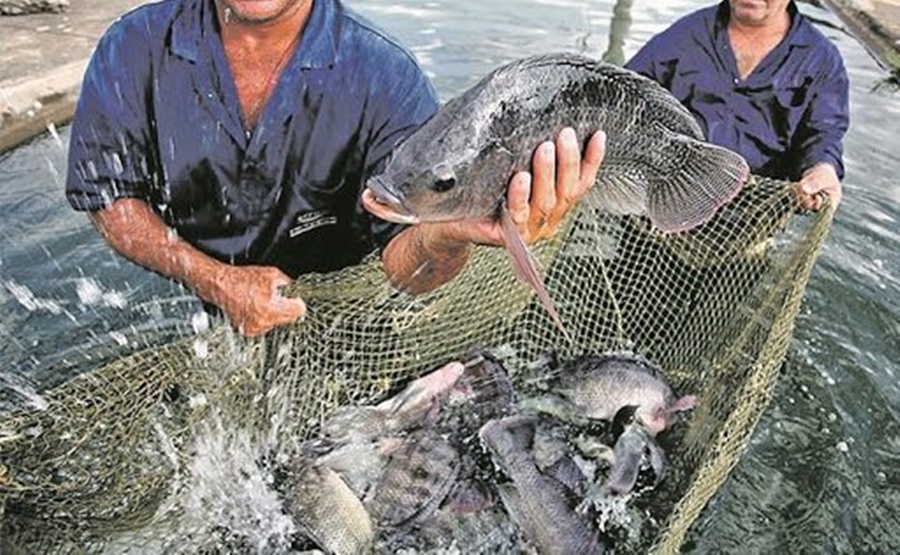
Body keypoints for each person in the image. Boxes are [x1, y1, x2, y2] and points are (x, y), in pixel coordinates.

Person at [65, 0, 606, 337]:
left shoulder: (387, 76)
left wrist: (446, 233)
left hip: (345, 318)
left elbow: (410, 270)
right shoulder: (132, 47)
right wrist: (214, 279)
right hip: (198, 303)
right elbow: (108, 196)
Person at [625, 0, 849, 212]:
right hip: (666, 202)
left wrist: (822, 168)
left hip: (751, 215)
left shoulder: (821, 60)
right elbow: (626, 93)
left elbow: (823, 133)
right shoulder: (686, 34)